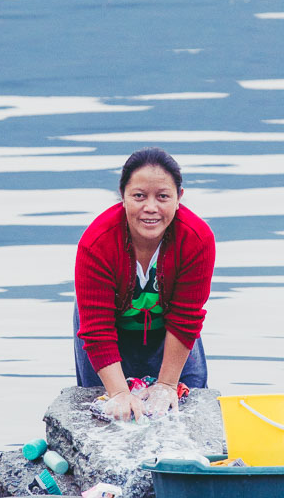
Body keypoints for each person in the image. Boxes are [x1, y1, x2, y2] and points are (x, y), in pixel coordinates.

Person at [74, 147, 215, 421]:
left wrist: (167, 385)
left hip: (172, 331)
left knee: (188, 410)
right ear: (123, 197)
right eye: (139, 196)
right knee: (105, 411)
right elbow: (96, 328)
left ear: (179, 198)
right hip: (107, 329)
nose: (150, 208)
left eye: (162, 197)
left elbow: (186, 317)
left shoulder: (197, 240)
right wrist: (118, 393)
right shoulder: (96, 243)